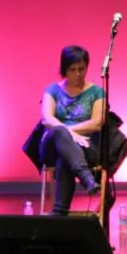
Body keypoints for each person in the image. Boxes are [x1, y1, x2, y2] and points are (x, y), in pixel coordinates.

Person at [40, 45, 103, 215]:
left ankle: (59, 213)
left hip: (84, 146)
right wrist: (70, 134)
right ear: (64, 70)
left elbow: (96, 123)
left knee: (65, 156)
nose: (78, 74)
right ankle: (86, 178)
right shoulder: (52, 90)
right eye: (72, 70)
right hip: (52, 145)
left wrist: (69, 135)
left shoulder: (97, 92)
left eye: (81, 69)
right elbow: (47, 119)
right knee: (60, 132)